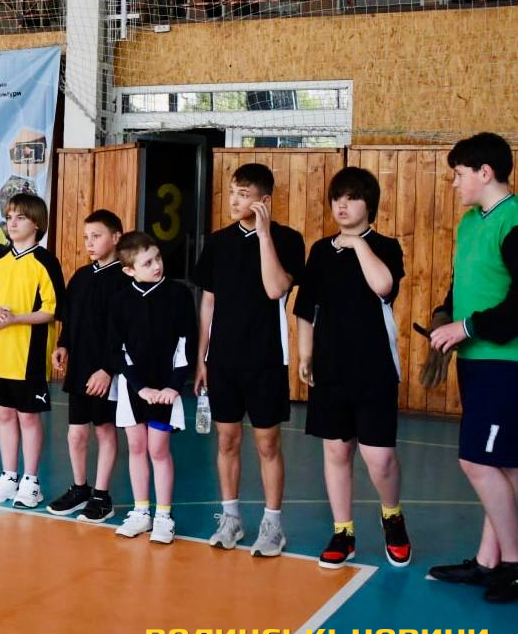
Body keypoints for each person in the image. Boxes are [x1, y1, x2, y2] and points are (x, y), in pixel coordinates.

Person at [294, 167, 410, 569]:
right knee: (337, 450)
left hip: (375, 368)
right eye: (336, 198)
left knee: (380, 459)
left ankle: (392, 516)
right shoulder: (320, 251)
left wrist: (358, 243)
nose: (341, 206)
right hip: (330, 368)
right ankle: (343, 531)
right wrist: (305, 355)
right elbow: (306, 308)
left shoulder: (386, 247)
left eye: (351, 198)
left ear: (369, 204)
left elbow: (383, 286)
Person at [192, 162, 305, 557]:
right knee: (227, 440)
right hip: (222, 360)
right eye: (232, 192)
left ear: (264, 200)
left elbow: (276, 289)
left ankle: (273, 525)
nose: (234, 200)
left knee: (267, 443)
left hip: (266, 359)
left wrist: (264, 234)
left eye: (244, 194)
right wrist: (201, 358)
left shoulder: (288, 239)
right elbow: (208, 302)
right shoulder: (217, 243)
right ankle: (231, 518)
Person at [425, 132, 518, 604]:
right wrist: (445, 316)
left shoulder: (514, 220)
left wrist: (466, 327)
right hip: (477, 361)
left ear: (485, 172)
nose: (454, 183)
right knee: (502, 464)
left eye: (459, 175)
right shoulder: (468, 222)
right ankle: (487, 562)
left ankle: (514, 565)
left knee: (478, 462)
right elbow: (463, 283)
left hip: (507, 363)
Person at [0, 193, 65, 509]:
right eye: (9, 217)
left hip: (29, 356)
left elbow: (52, 311)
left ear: (37, 223)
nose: (12, 223)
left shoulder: (45, 262)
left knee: (28, 418)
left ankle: (31, 481)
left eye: (20, 217)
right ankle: (8, 476)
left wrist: (14, 319)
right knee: (4, 415)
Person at [108, 232, 197, 542]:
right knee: (136, 447)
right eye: (147, 263)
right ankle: (141, 512)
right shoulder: (120, 301)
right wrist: (139, 387)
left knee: (158, 449)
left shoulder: (179, 295)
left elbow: (186, 343)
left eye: (157, 258)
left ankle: (163, 516)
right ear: (129, 270)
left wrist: (173, 387)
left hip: (166, 389)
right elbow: (117, 350)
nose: (157, 265)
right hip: (134, 389)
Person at [47, 209, 128, 522]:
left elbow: (124, 332)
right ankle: (80, 488)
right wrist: (62, 344)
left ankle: (101, 496)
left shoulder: (124, 279)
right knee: (76, 434)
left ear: (116, 237)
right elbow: (70, 318)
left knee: (105, 431)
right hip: (79, 369)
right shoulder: (81, 276)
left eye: (96, 236)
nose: (89, 243)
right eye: (85, 237)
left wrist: (108, 370)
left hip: (106, 373)